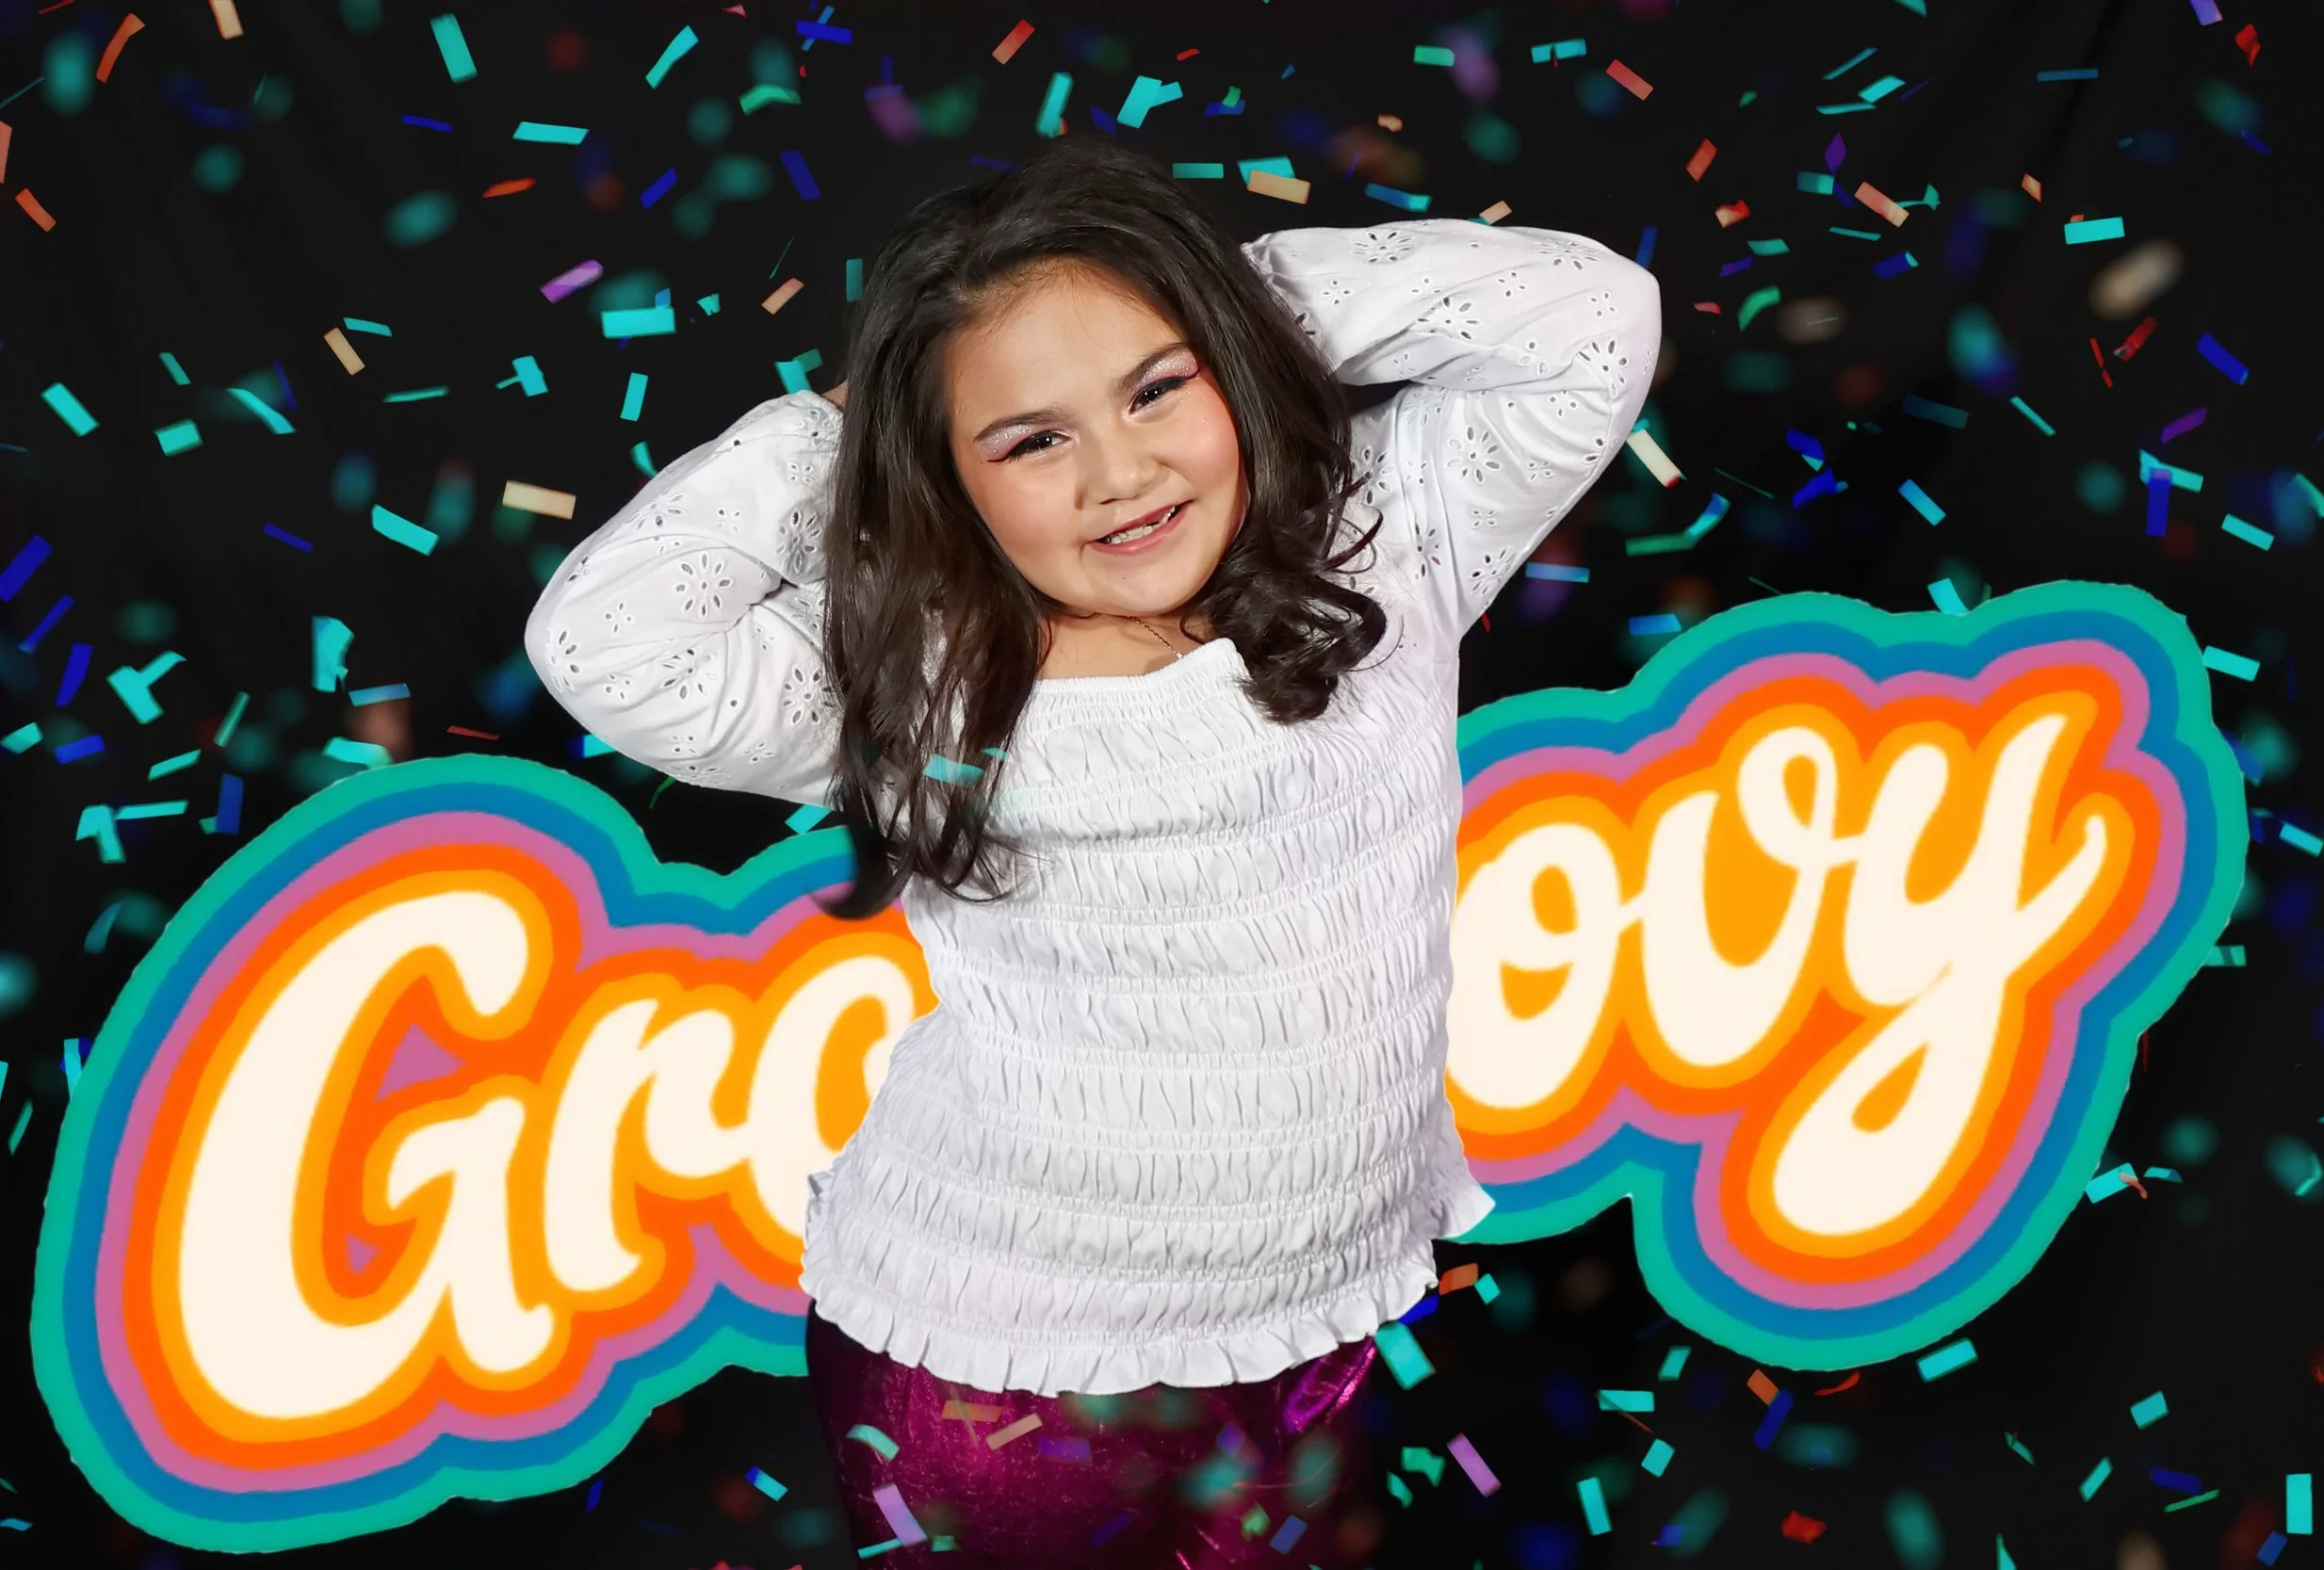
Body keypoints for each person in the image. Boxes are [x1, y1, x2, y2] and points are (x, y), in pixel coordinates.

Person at [524, 135, 1660, 1568]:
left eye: (1157, 388)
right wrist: (856, 428)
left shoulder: (1379, 541)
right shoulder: (908, 673)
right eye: (1030, 440)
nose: (1122, 474)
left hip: (1309, 1322)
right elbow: (600, 638)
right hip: (990, 1380)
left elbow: (1596, 315)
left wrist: (1223, 308)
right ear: (948, 470)